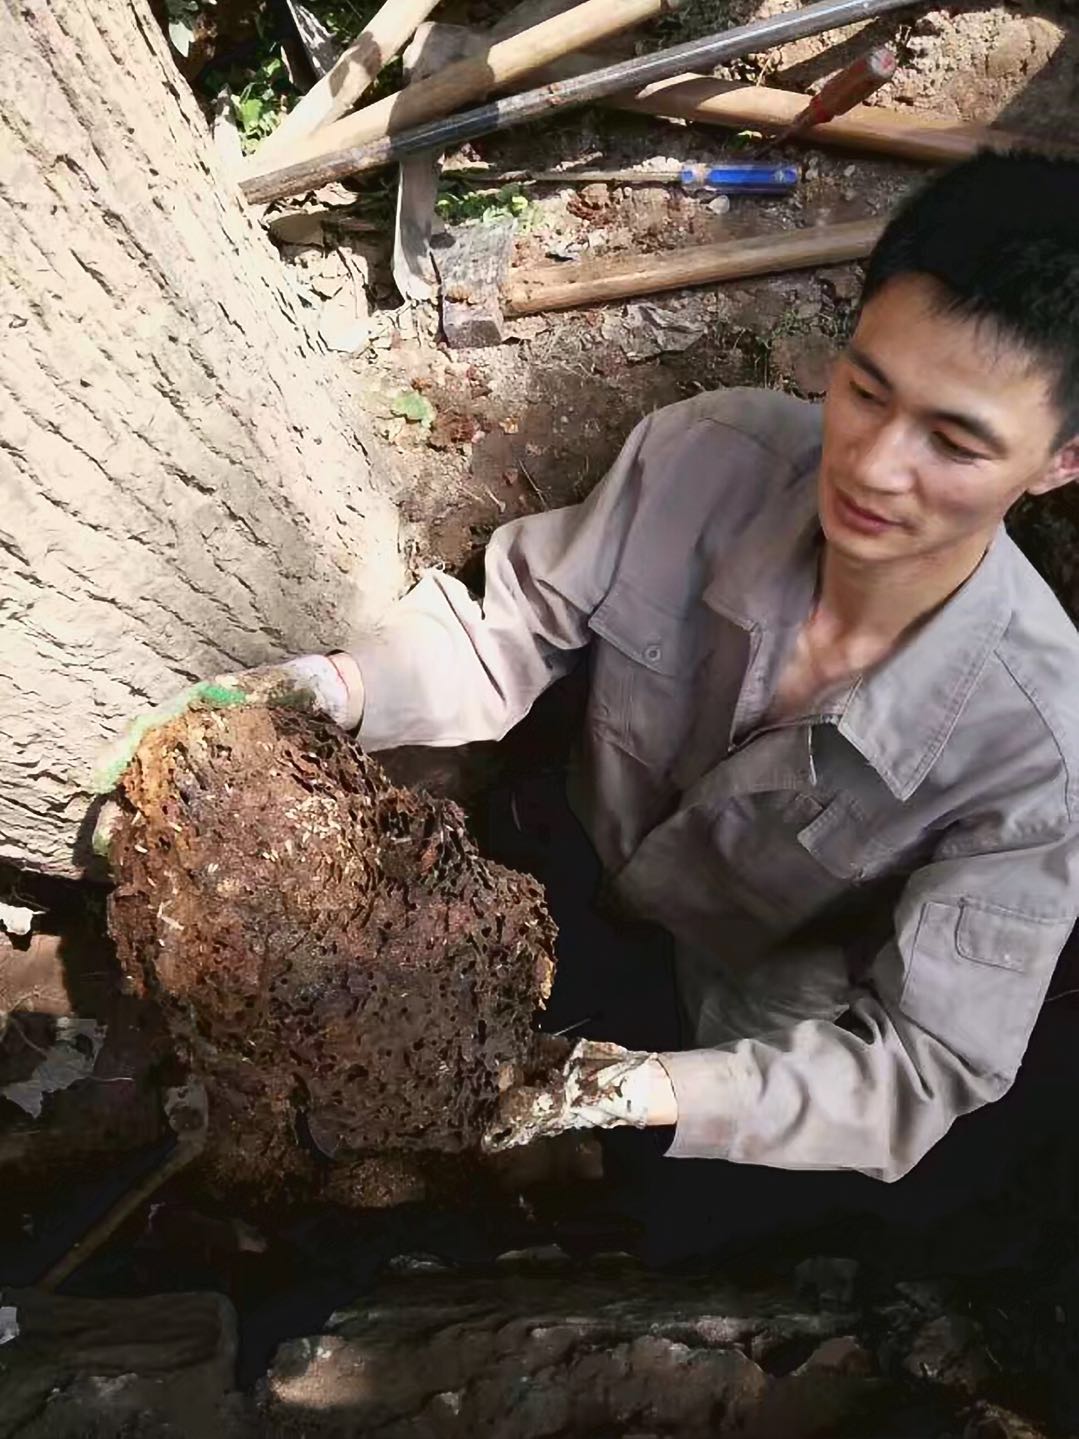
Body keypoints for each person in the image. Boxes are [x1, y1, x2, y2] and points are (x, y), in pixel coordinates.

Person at [103, 152, 1079, 1256]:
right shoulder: (709, 455)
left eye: (952, 441)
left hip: (739, 1016)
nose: (872, 464)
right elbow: (508, 627)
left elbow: (917, 1066)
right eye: (863, 389)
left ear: (1057, 461)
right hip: (565, 865)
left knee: (676, 1216)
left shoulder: (1040, 753)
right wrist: (336, 687)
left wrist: (629, 1094)